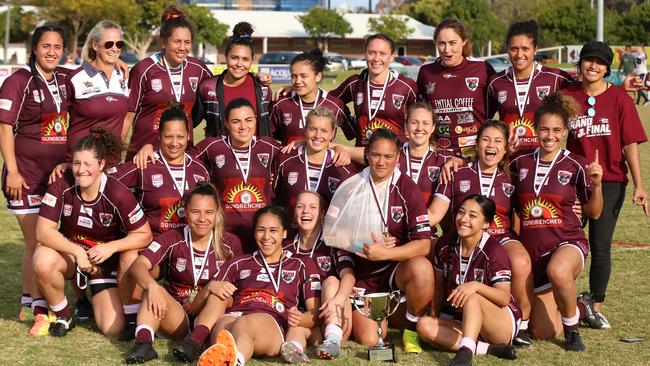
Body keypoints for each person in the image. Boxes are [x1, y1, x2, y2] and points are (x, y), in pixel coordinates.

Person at [31, 128, 152, 337]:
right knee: (42, 259)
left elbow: (144, 235)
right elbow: (43, 232)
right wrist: (77, 252)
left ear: (102, 164)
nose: (81, 170)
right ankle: (64, 315)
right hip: (72, 257)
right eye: (77, 163)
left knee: (112, 328)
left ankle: (96, 296)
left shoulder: (117, 192)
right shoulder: (61, 184)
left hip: (103, 265)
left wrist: (110, 248)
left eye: (88, 164)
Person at [561, 41, 648, 329]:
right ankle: (559, 298)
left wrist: (639, 186)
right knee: (562, 238)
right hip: (574, 182)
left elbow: (630, 144)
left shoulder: (620, 99)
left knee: (599, 243)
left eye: (600, 63)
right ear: (580, 64)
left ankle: (594, 305)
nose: (593, 66)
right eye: (589, 61)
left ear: (607, 68)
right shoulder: (567, 96)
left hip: (610, 182)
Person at [510, 92, 603, 351]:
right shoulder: (520, 163)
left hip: (567, 243)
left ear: (565, 132)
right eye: (544, 129)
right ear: (536, 130)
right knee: (542, 332)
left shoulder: (576, 164)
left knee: (559, 271)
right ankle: (582, 307)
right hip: (533, 253)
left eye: (556, 130)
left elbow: (593, 213)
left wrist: (596, 186)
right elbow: (514, 208)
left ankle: (573, 333)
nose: (550, 135)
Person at [327, 129, 434, 352]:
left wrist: (386, 254)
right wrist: (361, 243)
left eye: (388, 157)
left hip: (395, 272)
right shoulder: (351, 186)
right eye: (376, 155)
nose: (382, 162)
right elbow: (334, 238)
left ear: (397, 157)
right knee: (370, 340)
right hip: (362, 276)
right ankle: (389, 318)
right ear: (366, 154)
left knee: (422, 269)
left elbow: (423, 244)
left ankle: (411, 331)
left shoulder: (407, 188)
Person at [428, 120, 533, 346]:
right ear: (476, 145)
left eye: (497, 141)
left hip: (499, 236)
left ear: (506, 148)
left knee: (521, 261)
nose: (490, 145)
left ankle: (522, 323)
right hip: (464, 239)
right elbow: (436, 212)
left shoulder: (512, 177)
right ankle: (445, 311)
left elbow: (525, 210)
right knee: (430, 251)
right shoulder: (457, 172)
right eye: (485, 139)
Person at [110, 103, 211, 338]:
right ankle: (132, 319)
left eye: (179, 136)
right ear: (159, 136)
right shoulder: (144, 163)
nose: (174, 143)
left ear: (188, 135)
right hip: (154, 248)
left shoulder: (200, 170)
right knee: (129, 257)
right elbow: (107, 182)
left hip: (187, 248)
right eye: (168, 137)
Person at [125, 182, 243, 363]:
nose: (202, 218)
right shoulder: (172, 237)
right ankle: (143, 344)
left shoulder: (231, 243)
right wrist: (152, 286)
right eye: (195, 212)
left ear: (217, 213)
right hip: (177, 315)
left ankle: (194, 343)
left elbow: (238, 289)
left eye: (209, 212)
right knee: (153, 291)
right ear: (185, 212)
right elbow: (138, 265)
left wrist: (209, 290)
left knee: (222, 294)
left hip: (209, 315)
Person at [0, 24, 68, 328]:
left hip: (56, 179)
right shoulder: (19, 81)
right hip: (25, 177)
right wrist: (12, 171)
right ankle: (32, 305)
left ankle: (44, 300)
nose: (52, 52)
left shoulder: (65, 79)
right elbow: (4, 128)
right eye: (46, 46)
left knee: (50, 241)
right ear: (34, 49)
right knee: (35, 241)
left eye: (57, 47)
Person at [195, 206, 320, 366]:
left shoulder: (300, 263)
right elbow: (199, 305)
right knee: (226, 328)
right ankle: (226, 355)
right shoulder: (238, 262)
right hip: (235, 314)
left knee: (243, 324)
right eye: (261, 230)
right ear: (254, 232)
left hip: (271, 319)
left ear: (284, 233)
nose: (266, 236)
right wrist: (210, 286)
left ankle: (235, 360)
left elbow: (314, 313)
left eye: (273, 230)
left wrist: (301, 318)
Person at [417, 195, 520, 366]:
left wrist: (475, 286)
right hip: (464, 319)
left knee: (472, 296)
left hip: (500, 321)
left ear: (486, 224)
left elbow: (503, 297)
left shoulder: (495, 251)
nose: (463, 219)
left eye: (473, 216)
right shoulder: (444, 244)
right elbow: (439, 288)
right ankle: (490, 349)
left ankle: (465, 357)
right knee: (424, 325)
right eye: (461, 212)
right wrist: (435, 317)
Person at [123, 5, 212, 160]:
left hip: (182, 155)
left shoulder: (198, 69)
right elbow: (127, 116)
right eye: (177, 41)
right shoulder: (144, 69)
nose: (182, 48)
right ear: (163, 42)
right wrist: (111, 156)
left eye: (187, 42)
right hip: (144, 156)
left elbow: (219, 90)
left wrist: (255, 77)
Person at [194, 98, 280, 250]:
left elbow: (300, 154)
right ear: (226, 123)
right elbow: (180, 155)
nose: (243, 127)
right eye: (236, 121)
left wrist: (336, 147)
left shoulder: (269, 146)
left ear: (256, 120)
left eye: (248, 120)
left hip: (262, 233)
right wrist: (148, 148)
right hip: (225, 233)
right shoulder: (212, 146)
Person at [279, 190, 352, 363]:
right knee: (295, 330)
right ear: (294, 213)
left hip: (335, 313)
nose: (306, 211)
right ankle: (295, 351)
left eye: (313, 207)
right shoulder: (285, 248)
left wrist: (337, 300)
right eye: (300, 206)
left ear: (322, 214)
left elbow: (349, 276)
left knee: (332, 281)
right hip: (308, 319)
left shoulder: (333, 242)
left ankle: (333, 340)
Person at [486, 20, 572, 154]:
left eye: (525, 49)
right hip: (510, 159)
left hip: (543, 160)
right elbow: (483, 121)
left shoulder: (556, 78)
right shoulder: (495, 82)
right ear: (507, 49)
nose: (519, 55)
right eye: (514, 49)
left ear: (535, 49)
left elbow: (584, 93)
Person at [417, 18, 496, 158]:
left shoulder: (482, 68)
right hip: (438, 152)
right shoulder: (426, 72)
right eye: (441, 44)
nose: (447, 50)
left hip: (475, 153)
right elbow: (421, 110)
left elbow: (497, 105)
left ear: (464, 41)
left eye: (453, 43)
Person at [330, 34, 418, 146]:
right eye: (371, 52)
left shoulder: (406, 86)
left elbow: (422, 115)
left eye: (382, 53)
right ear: (365, 54)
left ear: (392, 56)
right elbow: (330, 100)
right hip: (363, 153)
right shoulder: (355, 83)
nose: (376, 59)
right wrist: (348, 125)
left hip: (396, 154)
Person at [194, 22, 273, 138]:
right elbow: (191, 121)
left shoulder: (263, 89)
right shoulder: (208, 87)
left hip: (256, 155)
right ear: (226, 57)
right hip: (219, 154)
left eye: (245, 59)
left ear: (252, 60)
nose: (239, 64)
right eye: (234, 58)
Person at [65, 20, 129, 157]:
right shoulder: (75, 78)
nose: (115, 48)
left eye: (119, 44)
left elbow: (127, 120)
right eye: (109, 44)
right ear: (95, 45)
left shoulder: (125, 76)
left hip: (110, 164)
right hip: (79, 164)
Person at [273, 106, 357, 211]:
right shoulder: (285, 160)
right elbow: (274, 199)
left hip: (328, 227)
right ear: (305, 130)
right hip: (292, 226)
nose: (318, 135)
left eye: (324, 131)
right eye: (312, 129)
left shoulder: (344, 167)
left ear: (332, 133)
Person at [270, 49, 354, 145]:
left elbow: (352, 134)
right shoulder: (281, 103)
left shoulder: (335, 104)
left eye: (303, 76)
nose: (297, 81)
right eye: (294, 76)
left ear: (318, 76)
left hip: (323, 160)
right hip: (290, 160)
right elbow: (268, 138)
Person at [398, 102, 450, 206]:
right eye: (414, 122)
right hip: (392, 221)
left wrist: (458, 160)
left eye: (425, 123)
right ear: (406, 125)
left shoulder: (442, 159)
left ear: (433, 127)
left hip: (426, 221)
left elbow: (472, 164)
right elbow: (366, 154)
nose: (419, 128)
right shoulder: (392, 153)